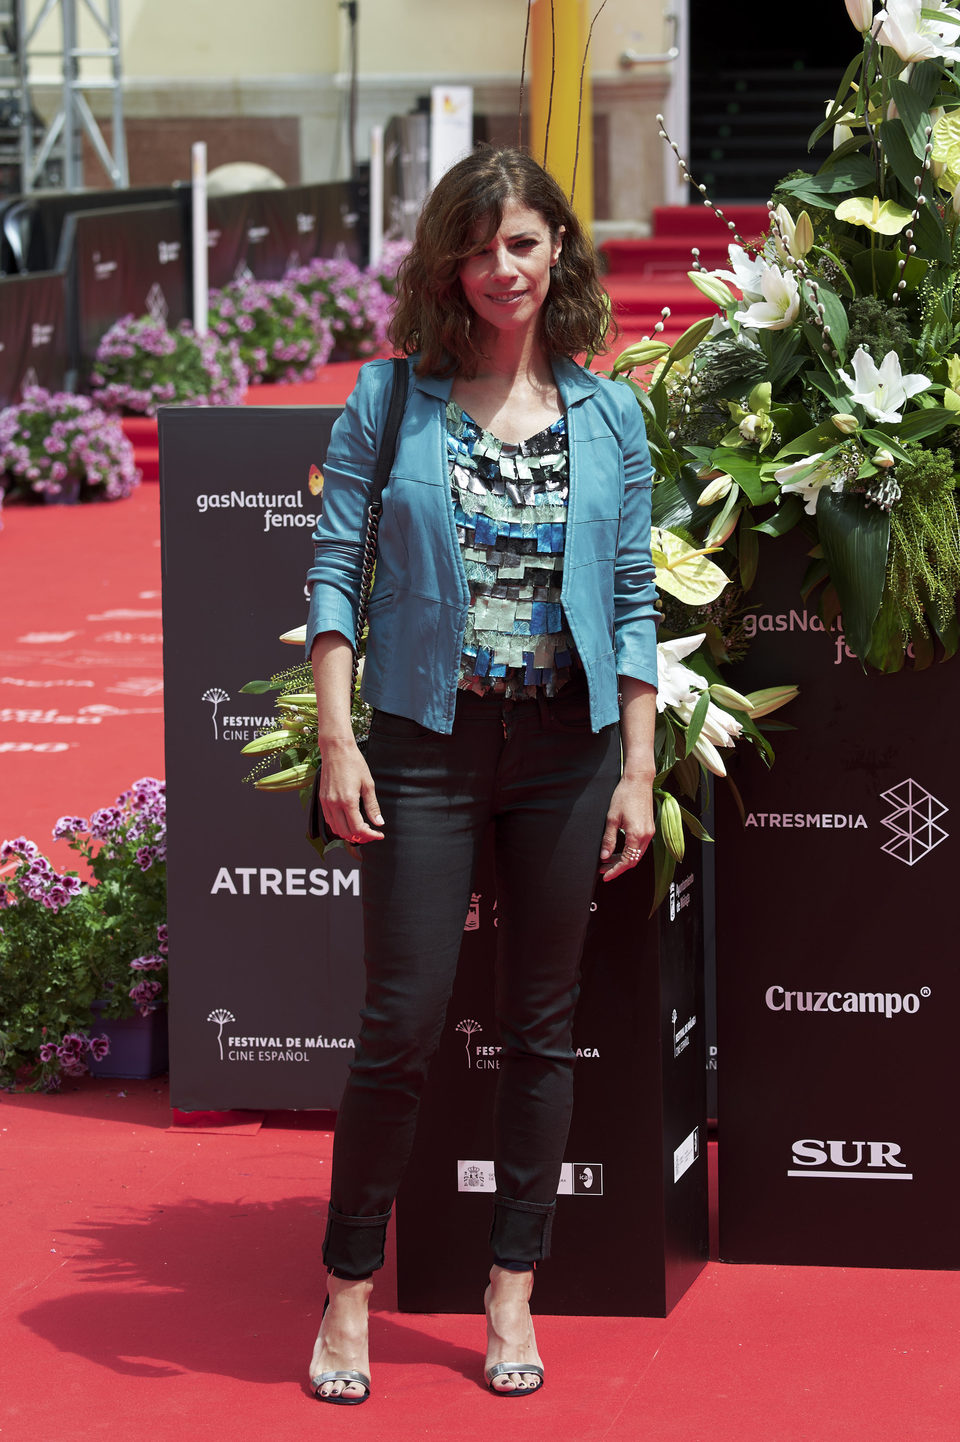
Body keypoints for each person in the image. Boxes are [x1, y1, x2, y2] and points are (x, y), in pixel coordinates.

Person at [304, 146, 659, 1403]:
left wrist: (638, 764)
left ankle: (514, 1285)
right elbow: (336, 572)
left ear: (558, 247)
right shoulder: (390, 400)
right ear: (447, 261)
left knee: (542, 1030)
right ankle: (347, 1288)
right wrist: (340, 738)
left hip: (568, 748)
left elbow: (628, 598)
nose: (503, 268)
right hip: (422, 740)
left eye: (524, 242)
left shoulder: (612, 412)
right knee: (399, 1026)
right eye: (480, 245)